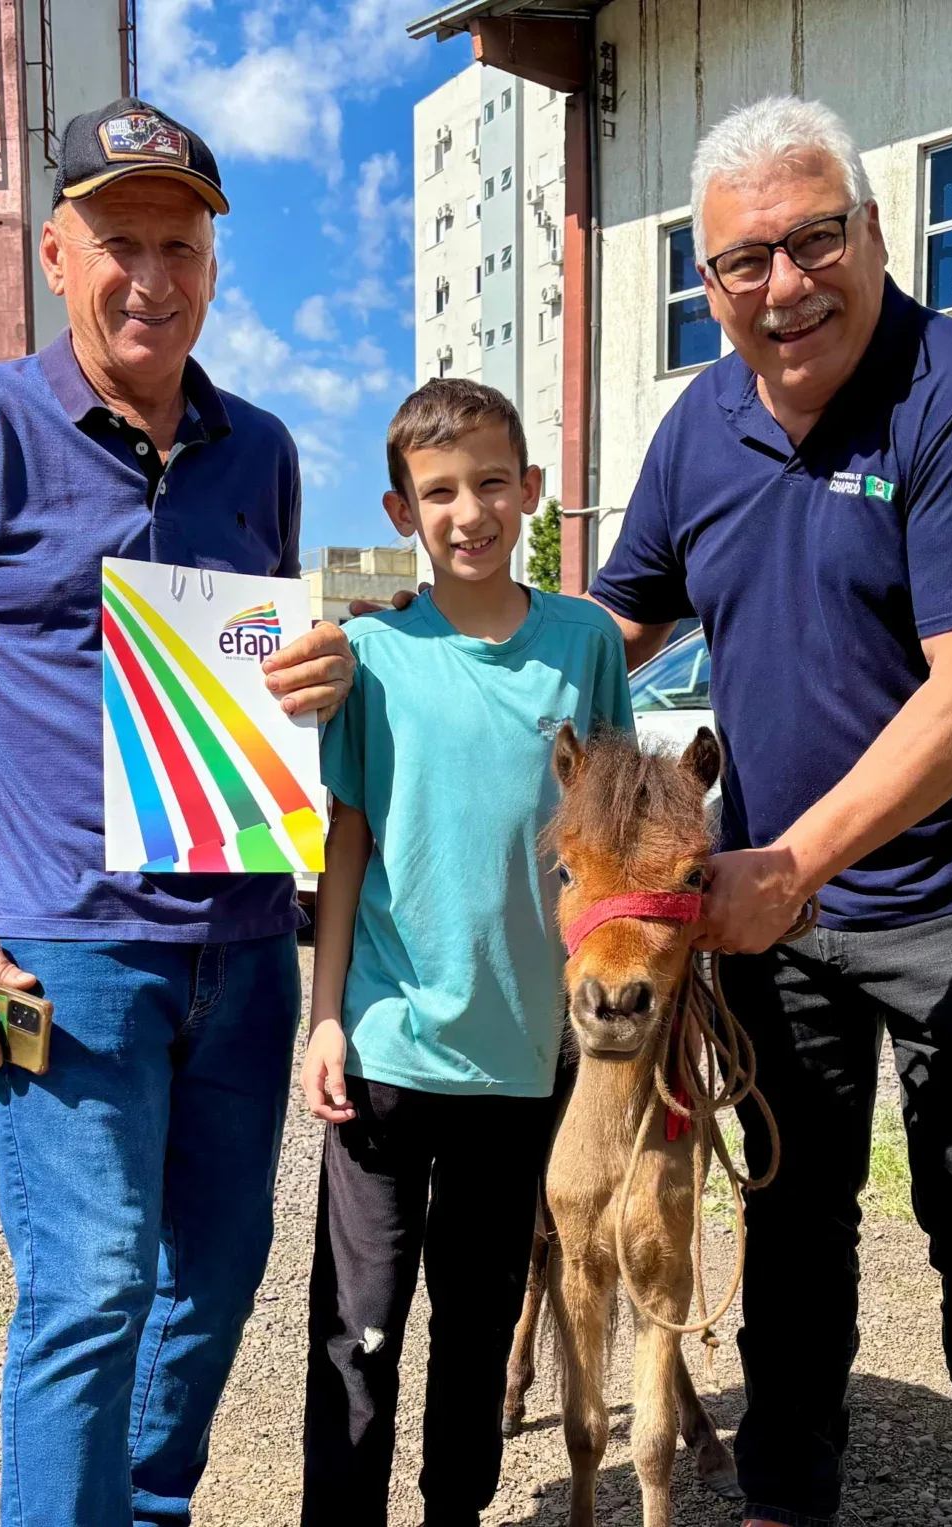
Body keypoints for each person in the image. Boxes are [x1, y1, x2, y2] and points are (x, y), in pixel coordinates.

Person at [0, 98, 358, 1527]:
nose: (152, 274)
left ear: (212, 263)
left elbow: (264, 684)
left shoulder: (263, 451)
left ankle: (147, 1502)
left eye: (179, 243)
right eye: (118, 240)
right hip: (68, 955)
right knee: (92, 1285)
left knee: (221, 1266)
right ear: (55, 252)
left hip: (243, 944)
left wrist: (315, 672)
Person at [587, 97, 952, 1526]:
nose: (786, 284)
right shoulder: (704, 423)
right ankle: (790, 1499)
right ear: (708, 282)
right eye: (747, 260)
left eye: (815, 239)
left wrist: (794, 859)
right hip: (776, 913)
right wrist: (426, 662)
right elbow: (608, 623)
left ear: (873, 231)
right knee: (794, 1220)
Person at [298, 379, 633, 1526]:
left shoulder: (584, 641)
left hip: (521, 1057)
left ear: (530, 493)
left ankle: (457, 1513)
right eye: (438, 491)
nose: (468, 510)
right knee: (359, 1323)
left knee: (479, 1315)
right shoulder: (372, 653)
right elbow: (347, 843)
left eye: (492, 482)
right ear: (402, 509)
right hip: (391, 1047)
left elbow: (608, 838)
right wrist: (325, 1015)